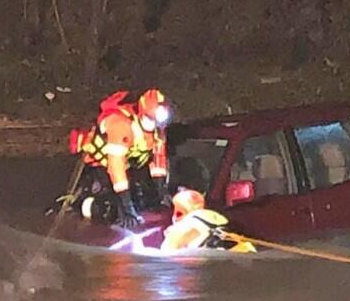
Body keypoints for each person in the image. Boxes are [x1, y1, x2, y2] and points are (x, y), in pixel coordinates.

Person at [70, 89, 172, 228]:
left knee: (143, 200)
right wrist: (125, 203)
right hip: (100, 164)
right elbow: (115, 166)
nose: (155, 125)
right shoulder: (121, 125)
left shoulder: (157, 128)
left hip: (127, 164)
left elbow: (158, 157)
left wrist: (161, 190)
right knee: (111, 209)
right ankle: (81, 202)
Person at [160, 189, 256, 253]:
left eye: (178, 212)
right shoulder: (219, 218)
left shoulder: (189, 222)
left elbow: (166, 253)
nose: (175, 218)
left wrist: (172, 235)